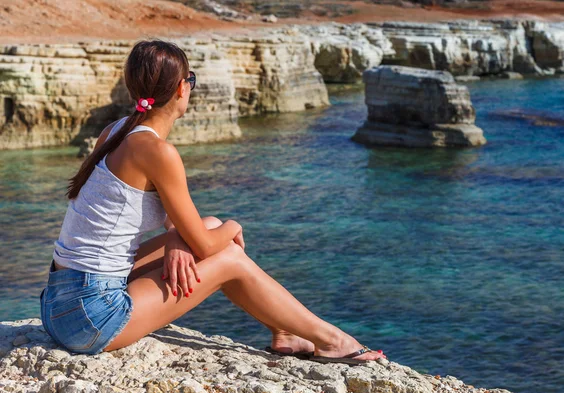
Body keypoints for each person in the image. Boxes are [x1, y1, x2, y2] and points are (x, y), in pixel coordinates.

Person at [39, 39, 386, 364]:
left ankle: (284, 331)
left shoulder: (116, 132)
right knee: (229, 254)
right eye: (191, 79)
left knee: (210, 224)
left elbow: (182, 222)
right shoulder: (158, 151)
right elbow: (206, 247)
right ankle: (331, 340)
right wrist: (235, 226)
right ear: (181, 88)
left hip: (59, 301)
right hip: (90, 317)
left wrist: (177, 238)